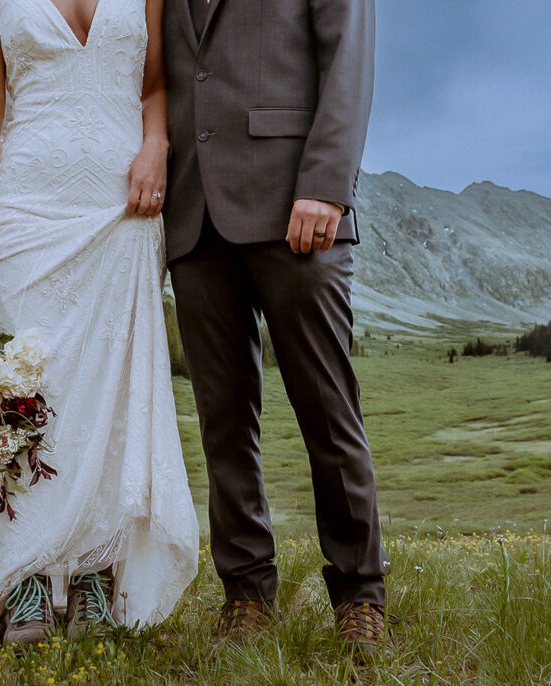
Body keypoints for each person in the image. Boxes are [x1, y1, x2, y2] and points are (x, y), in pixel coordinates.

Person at [0, 0, 198, 645]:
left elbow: (157, 85)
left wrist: (156, 145)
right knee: (30, 391)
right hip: (27, 207)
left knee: (109, 395)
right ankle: (27, 577)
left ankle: (93, 574)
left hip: (125, 206)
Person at [163, 0, 390, 650]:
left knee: (328, 411)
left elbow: (348, 56)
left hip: (299, 201)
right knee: (223, 424)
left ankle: (359, 594)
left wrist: (326, 182)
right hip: (194, 212)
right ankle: (247, 593)